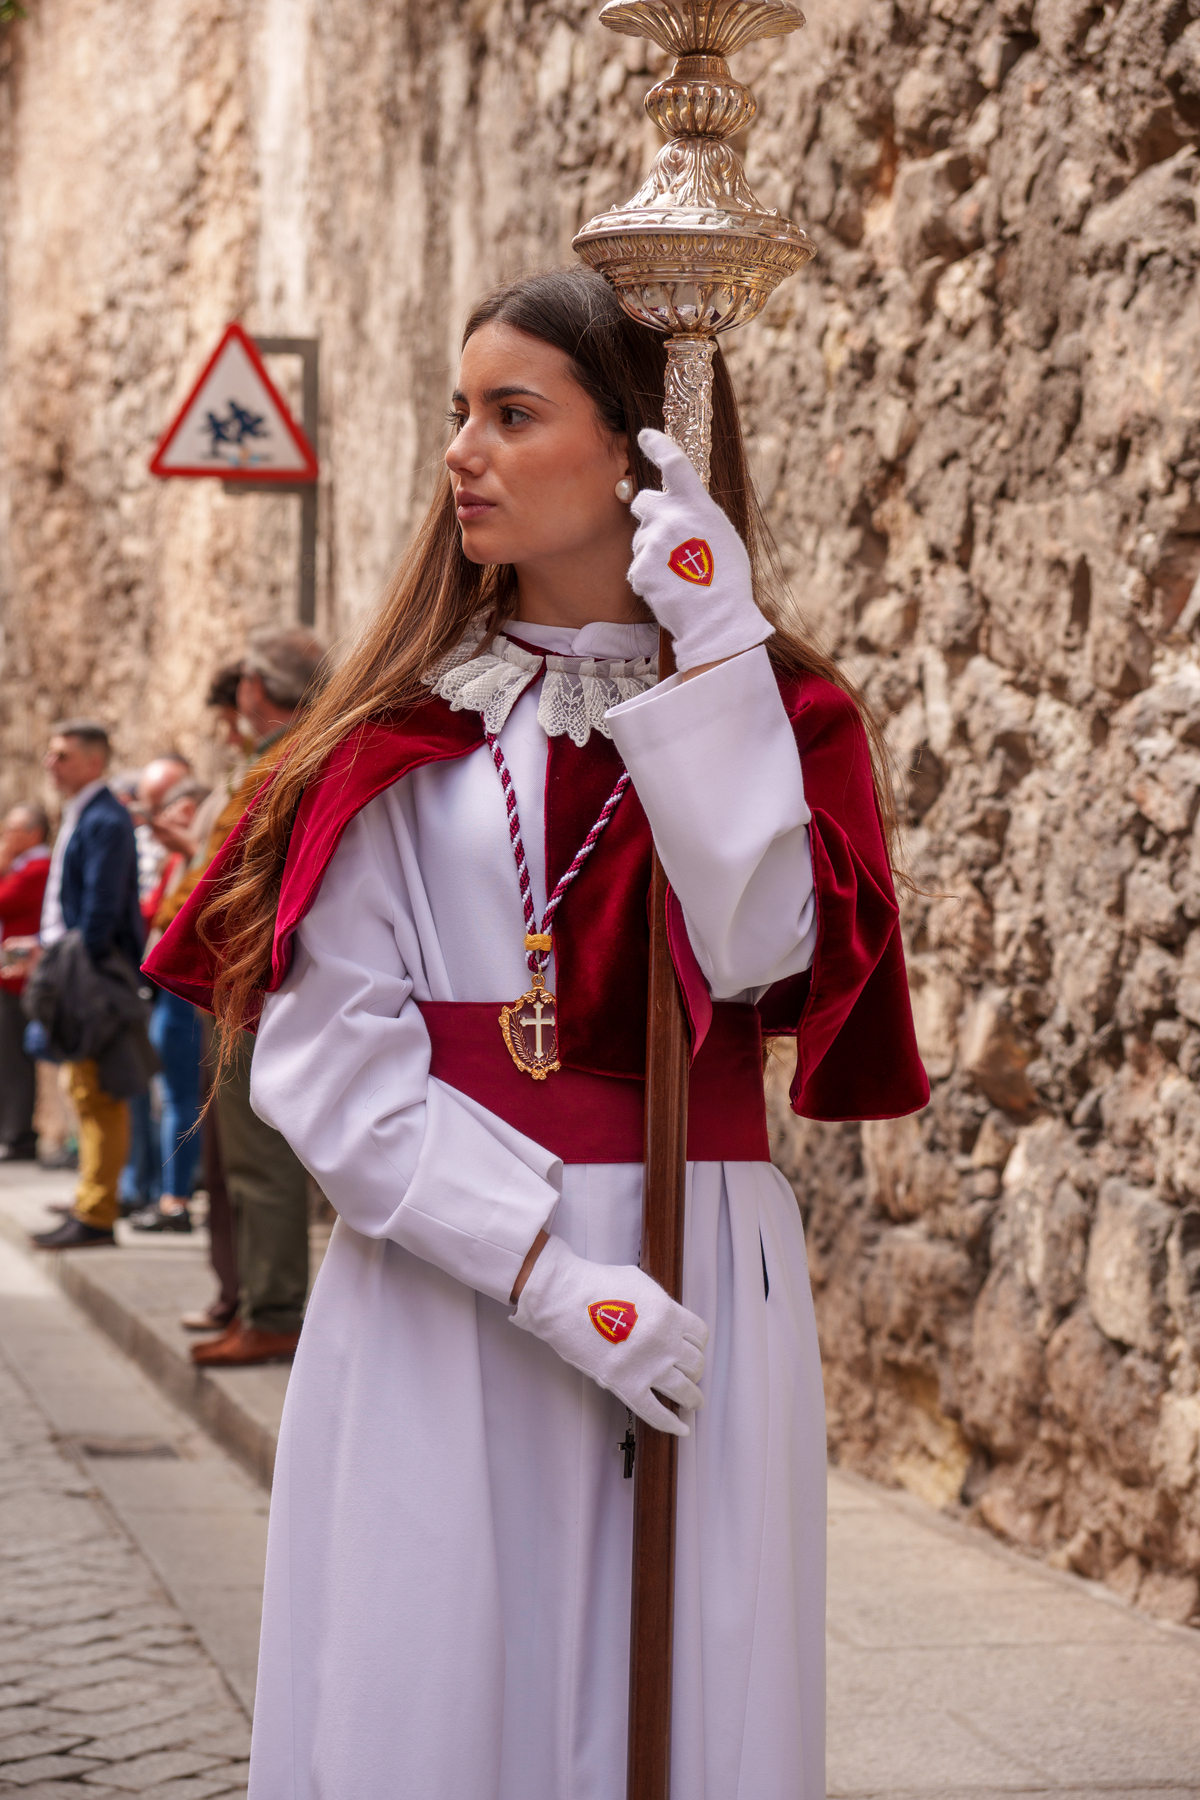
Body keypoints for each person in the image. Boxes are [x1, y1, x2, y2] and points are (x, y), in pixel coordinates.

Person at [148, 270, 928, 1799]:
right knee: (428, 1675)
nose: (464, 452)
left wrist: (712, 653)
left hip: (699, 1250)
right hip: (449, 1276)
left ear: (639, 458)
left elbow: (764, 947)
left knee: (696, 1679)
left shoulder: (782, 718)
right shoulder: (393, 737)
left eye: (514, 414)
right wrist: (552, 1275)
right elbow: (329, 1060)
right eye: (459, 413)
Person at [163, 630, 329, 1358]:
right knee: (250, 1156)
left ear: (257, 690)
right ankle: (261, 1305)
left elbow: (226, 885)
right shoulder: (302, 751)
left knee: (259, 1156)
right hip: (257, 981)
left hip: (251, 984)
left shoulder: (283, 761)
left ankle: (273, 1312)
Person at [32, 721, 146, 1250]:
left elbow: (100, 912)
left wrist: (81, 967)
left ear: (94, 762)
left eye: (62, 756)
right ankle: (89, 1200)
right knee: (83, 1088)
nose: (50, 764)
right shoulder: (85, 813)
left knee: (99, 1092)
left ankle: (98, 1213)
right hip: (76, 965)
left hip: (91, 971)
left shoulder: (105, 819)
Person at [131, 776, 211, 1235]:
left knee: (181, 1096)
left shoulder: (197, 855)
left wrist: (191, 848)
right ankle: (168, 1192)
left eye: (178, 807)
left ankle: (175, 1199)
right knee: (170, 1096)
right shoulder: (176, 860)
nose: (166, 817)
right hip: (165, 991)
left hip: (183, 991)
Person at [0, 804, 52, 1162]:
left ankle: (18, 1134)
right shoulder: (25, 867)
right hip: (13, 977)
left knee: (16, 1059)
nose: (7, 836)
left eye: (13, 830)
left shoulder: (37, 867)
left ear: (33, 833)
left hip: (24, 981)